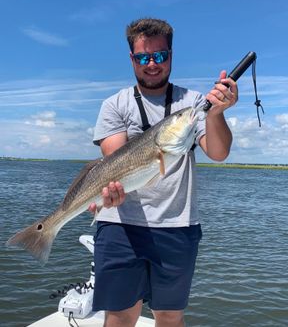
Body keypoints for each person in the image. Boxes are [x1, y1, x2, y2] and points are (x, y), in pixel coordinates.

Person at [89, 18, 238, 327]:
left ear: (171, 54)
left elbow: (219, 152)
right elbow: (114, 161)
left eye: (160, 55)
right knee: (120, 315)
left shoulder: (193, 102)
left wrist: (217, 114)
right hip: (120, 225)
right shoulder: (115, 104)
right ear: (132, 59)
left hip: (178, 225)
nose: (152, 64)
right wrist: (109, 192)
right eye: (143, 57)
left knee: (170, 316)